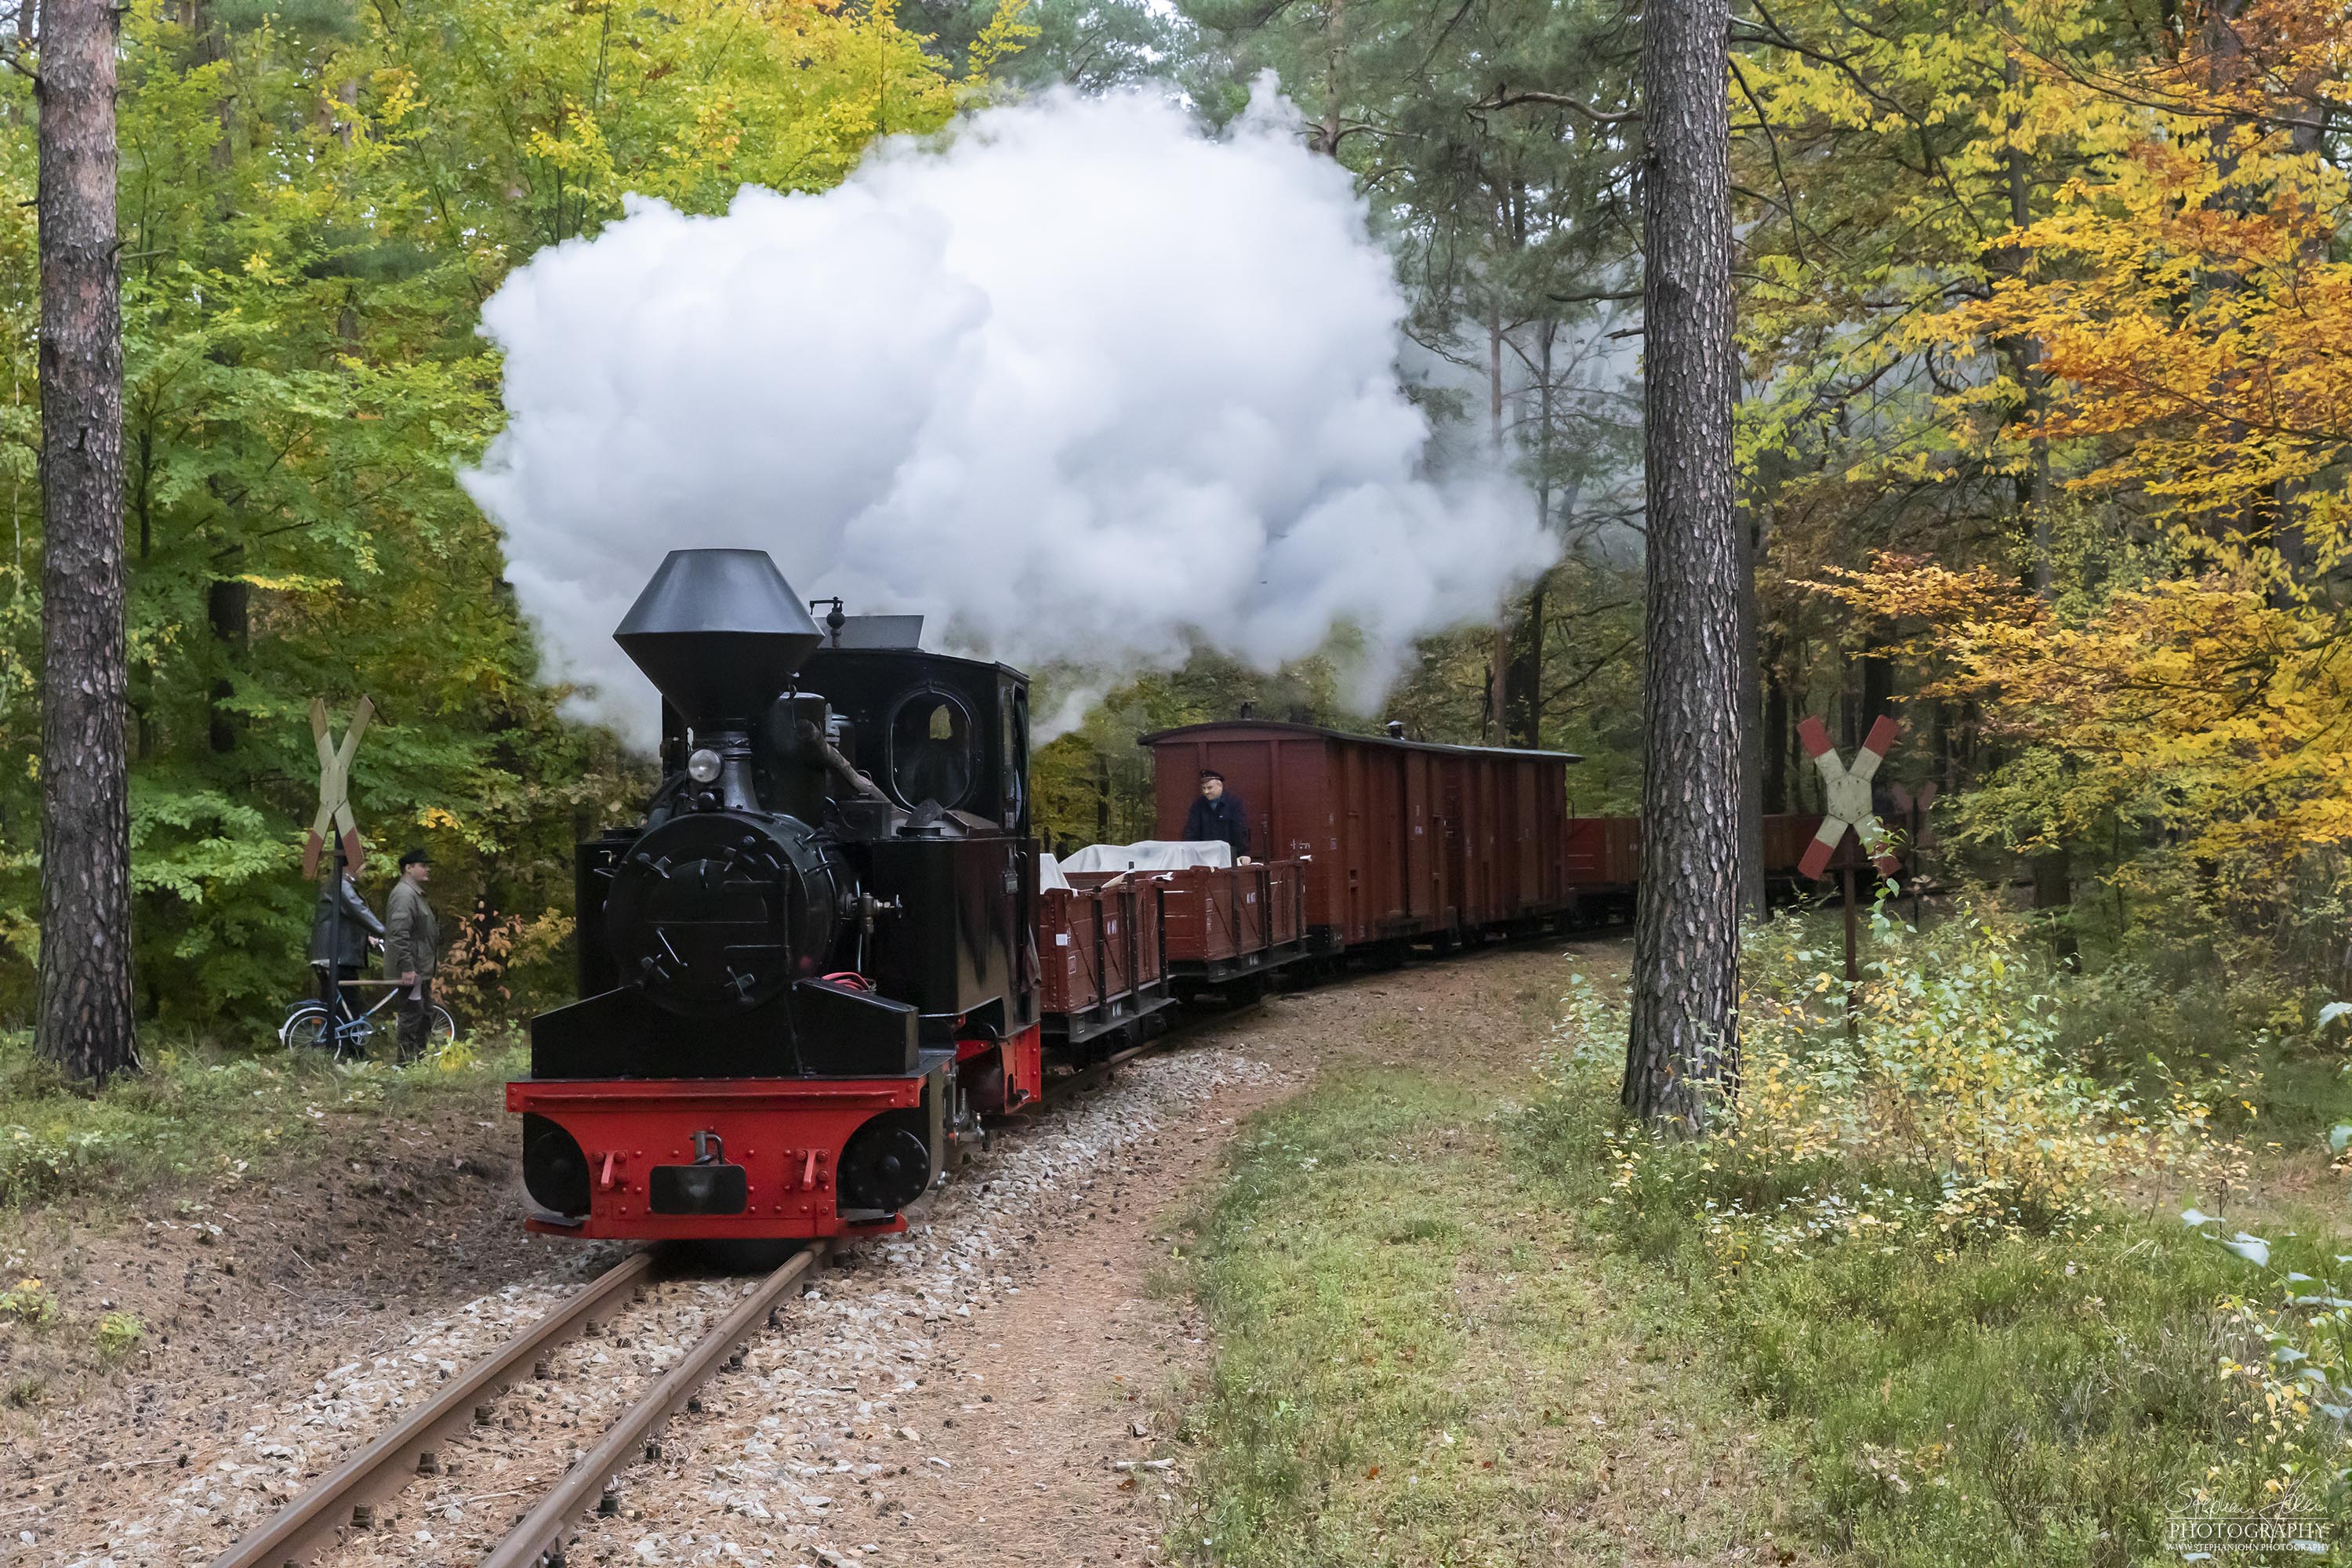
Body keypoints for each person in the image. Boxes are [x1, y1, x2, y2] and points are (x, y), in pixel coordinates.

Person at [307, 866, 383, 1028]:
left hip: (331, 954)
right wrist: (385, 932)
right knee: (349, 1004)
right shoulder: (341, 886)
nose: (364, 869)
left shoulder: (336, 884)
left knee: (336, 1003)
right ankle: (350, 1050)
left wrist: (367, 937)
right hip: (337, 956)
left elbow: (345, 920)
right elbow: (359, 911)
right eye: (361, 865)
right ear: (350, 866)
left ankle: (336, 1048)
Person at [385, 847, 441, 1062]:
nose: (427, 869)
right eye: (423, 865)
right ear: (409, 868)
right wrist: (407, 967)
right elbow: (399, 935)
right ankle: (405, 1064)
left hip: (420, 969)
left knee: (424, 1014)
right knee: (411, 1016)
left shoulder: (414, 894)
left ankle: (418, 1062)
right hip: (412, 970)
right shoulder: (404, 895)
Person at [1181, 770, 1252, 863]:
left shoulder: (1233, 803)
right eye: (1203, 788)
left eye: (1210, 788)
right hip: (1204, 857)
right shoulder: (1198, 805)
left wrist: (1244, 853)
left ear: (1220, 786)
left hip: (1229, 857)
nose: (1206, 792)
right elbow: (1191, 831)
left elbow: (1239, 830)